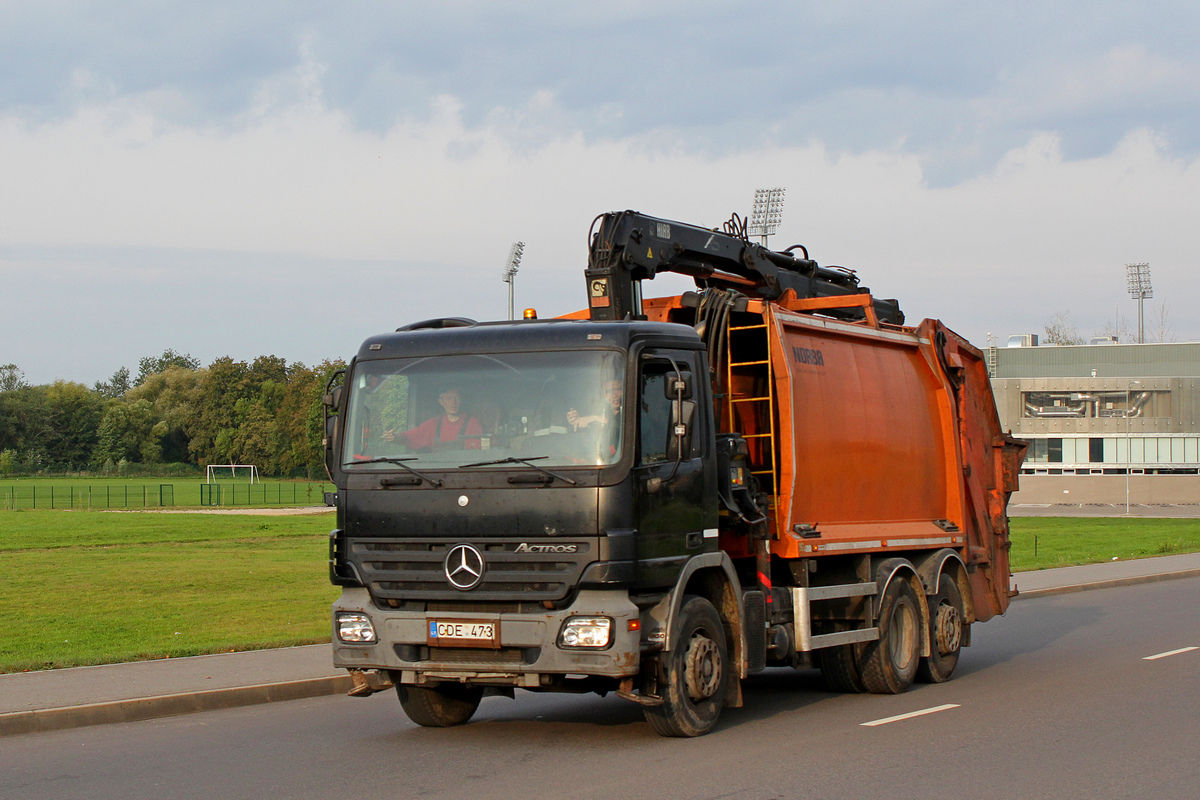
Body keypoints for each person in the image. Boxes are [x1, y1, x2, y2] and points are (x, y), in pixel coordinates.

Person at [385, 387, 482, 451]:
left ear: (461, 401)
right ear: (441, 402)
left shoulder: (472, 423)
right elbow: (411, 436)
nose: (453, 402)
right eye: (449, 398)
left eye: (456, 398)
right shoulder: (434, 423)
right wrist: (395, 437)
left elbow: (475, 452)